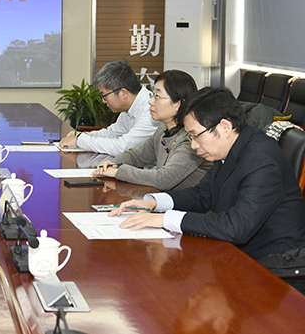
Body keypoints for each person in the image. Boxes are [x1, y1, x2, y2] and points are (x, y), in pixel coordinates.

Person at [110, 87, 305, 265]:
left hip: (274, 265)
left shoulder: (261, 160)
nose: (194, 145)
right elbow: (203, 195)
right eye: (190, 137)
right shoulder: (232, 146)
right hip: (237, 254)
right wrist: (154, 203)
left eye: (196, 135)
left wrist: (164, 219)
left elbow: (236, 227)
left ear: (225, 127)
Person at [93, 70, 211, 191]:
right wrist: (113, 163)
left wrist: (119, 171)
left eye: (157, 97)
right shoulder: (163, 130)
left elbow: (163, 179)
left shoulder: (192, 140)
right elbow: (135, 156)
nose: (150, 102)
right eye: (152, 95)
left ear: (178, 103)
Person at [58, 59, 161, 156]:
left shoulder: (151, 110)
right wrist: (83, 136)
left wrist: (80, 141)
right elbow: (112, 134)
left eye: (104, 95)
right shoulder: (129, 108)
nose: (103, 101)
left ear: (123, 93)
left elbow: (121, 147)